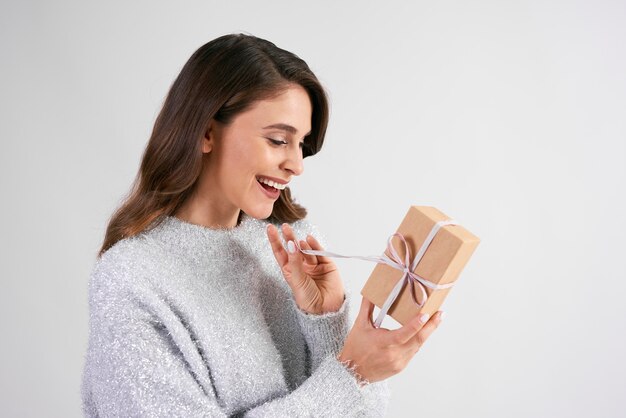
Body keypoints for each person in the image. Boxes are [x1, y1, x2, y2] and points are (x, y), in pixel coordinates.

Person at [81, 33, 444, 417]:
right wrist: (351, 373)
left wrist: (328, 322)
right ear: (206, 132)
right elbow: (344, 387)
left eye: (302, 144)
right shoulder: (130, 280)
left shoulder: (297, 246)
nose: (297, 164)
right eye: (277, 140)